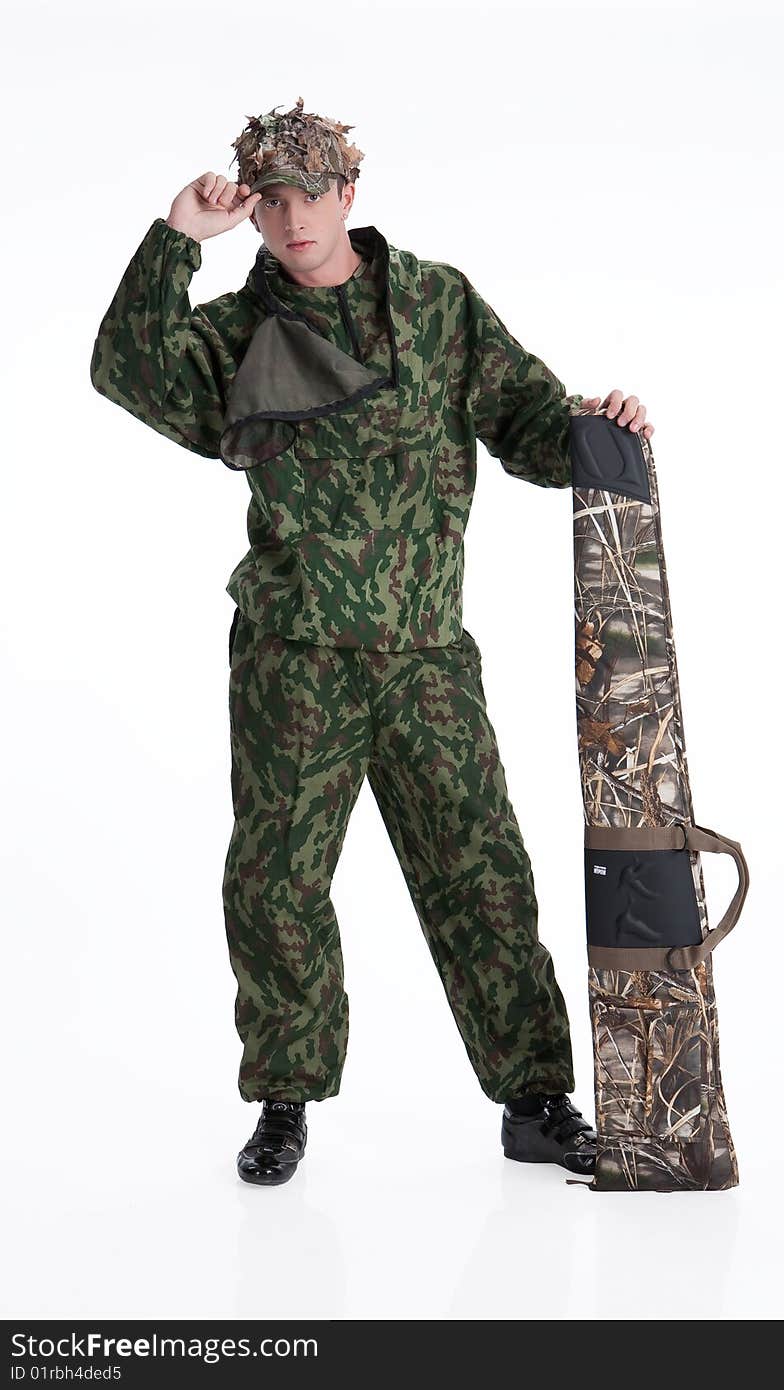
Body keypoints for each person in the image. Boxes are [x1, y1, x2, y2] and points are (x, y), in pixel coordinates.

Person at [90, 98, 655, 1187]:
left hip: (426, 657)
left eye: (313, 192)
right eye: (273, 200)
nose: (295, 218)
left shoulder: (437, 307)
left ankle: (536, 1100)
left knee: (482, 875)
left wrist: (601, 430)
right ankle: (283, 1101)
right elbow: (126, 367)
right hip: (294, 657)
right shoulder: (238, 335)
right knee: (278, 883)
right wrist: (173, 238)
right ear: (253, 210)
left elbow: (532, 425)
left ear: (351, 192)